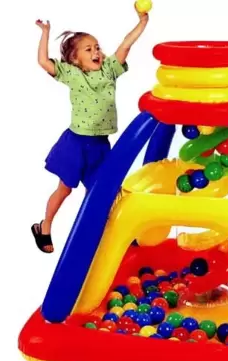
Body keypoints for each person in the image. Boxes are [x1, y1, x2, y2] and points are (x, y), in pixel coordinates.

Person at [31, 6, 149, 254]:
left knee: (105, 193)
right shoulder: (72, 74)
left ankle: (116, 235)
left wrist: (142, 22)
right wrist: (45, 32)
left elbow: (126, 45)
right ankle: (44, 226)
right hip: (74, 145)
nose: (96, 52)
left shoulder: (109, 70)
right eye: (89, 49)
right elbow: (43, 61)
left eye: (97, 47)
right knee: (65, 189)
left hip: (99, 146)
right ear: (75, 59)